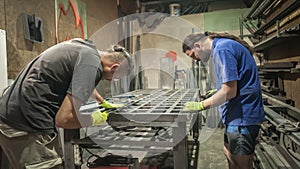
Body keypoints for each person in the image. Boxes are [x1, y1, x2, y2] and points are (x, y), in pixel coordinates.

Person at [0, 38, 132, 169]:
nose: (110, 81)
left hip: (9, 113)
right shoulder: (92, 67)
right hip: (26, 124)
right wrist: (92, 120)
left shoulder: (85, 48)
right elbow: (63, 119)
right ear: (114, 67)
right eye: (115, 78)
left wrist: (102, 101)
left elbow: (82, 82)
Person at [182, 32, 265, 169]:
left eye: (193, 55)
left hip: (241, 118)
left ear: (197, 45)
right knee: (229, 154)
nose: (195, 60)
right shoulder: (222, 46)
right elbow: (235, 84)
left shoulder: (222, 49)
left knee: (241, 164)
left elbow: (229, 91)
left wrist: (201, 105)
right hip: (237, 116)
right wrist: (217, 92)